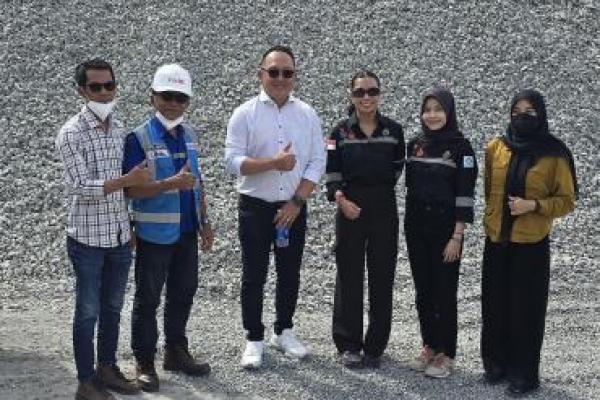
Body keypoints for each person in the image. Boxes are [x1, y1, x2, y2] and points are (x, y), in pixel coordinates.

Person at [225, 45, 326, 369]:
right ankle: (254, 337)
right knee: (254, 274)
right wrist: (273, 163)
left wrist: (297, 202)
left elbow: (317, 161)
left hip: (292, 206)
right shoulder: (244, 113)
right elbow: (232, 161)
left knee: (289, 272)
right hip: (255, 207)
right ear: (260, 74)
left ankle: (284, 330)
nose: (280, 78)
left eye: (287, 72)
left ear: (295, 76)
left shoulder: (307, 114)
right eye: (274, 72)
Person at [56, 59, 147, 400]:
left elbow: (126, 186)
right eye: (96, 87)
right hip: (87, 239)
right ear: (81, 91)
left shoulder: (120, 128)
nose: (104, 92)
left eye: (109, 85)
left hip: (119, 235)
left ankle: (107, 368)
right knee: (87, 312)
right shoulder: (71, 134)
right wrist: (127, 180)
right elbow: (80, 186)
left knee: (112, 307)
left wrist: (130, 223)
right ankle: (85, 381)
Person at [123, 63, 214, 392]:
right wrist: (169, 184)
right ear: (153, 97)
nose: (174, 103)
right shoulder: (139, 138)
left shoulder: (190, 135)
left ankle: (176, 351)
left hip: (186, 231)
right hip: (154, 234)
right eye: (167, 96)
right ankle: (144, 360)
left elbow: (196, 181)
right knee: (148, 299)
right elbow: (130, 190)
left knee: (183, 293)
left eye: (181, 97)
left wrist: (205, 221)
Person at [481, 89, 577, 397]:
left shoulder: (554, 154)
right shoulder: (496, 147)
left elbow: (567, 201)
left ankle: (524, 375)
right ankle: (496, 365)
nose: (522, 117)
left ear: (541, 115)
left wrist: (533, 206)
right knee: (494, 304)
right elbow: (488, 189)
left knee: (526, 310)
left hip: (531, 243)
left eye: (529, 112)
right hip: (497, 239)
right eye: (517, 111)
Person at [324, 71, 405, 369]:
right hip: (350, 207)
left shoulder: (394, 130)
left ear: (380, 94)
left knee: (382, 275)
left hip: (384, 208)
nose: (366, 97)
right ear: (351, 95)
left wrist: (377, 193)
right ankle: (349, 344)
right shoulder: (338, 132)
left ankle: (375, 346)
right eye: (360, 92)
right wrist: (342, 200)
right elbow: (332, 172)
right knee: (349, 275)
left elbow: (397, 167)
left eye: (372, 91)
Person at [404, 86, 478, 379]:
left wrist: (457, 236)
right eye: (427, 110)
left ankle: (446, 352)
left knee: (444, 291)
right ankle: (429, 345)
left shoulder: (462, 148)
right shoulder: (415, 145)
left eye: (438, 109)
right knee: (423, 290)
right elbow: (409, 188)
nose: (432, 115)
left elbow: (465, 194)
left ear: (449, 112)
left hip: (447, 229)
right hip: (416, 227)